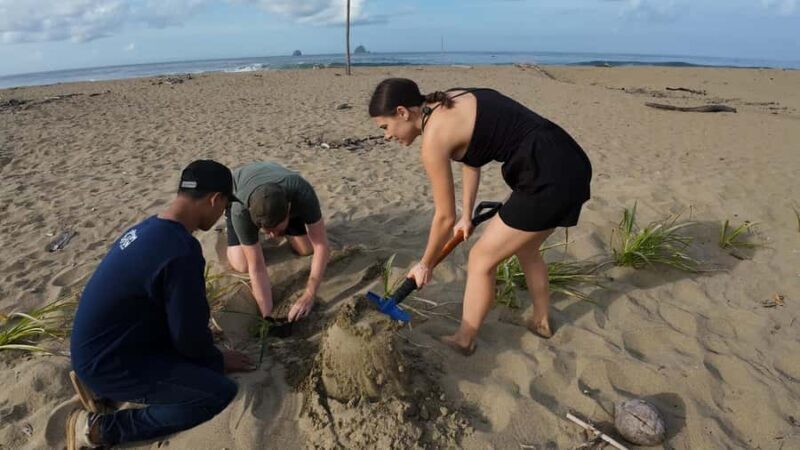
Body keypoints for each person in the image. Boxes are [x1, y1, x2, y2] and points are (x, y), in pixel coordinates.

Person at [369, 78, 592, 356]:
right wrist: (467, 214)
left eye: (385, 127)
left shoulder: (433, 141)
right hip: (568, 159)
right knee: (528, 248)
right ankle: (541, 322)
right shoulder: (450, 99)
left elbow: (443, 218)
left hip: (544, 176)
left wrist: (425, 264)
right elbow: (472, 158)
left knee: (480, 259)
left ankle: (464, 339)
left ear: (402, 112)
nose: (387, 136)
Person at [68, 160, 254, 449]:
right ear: (214, 199)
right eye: (224, 206)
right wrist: (216, 360)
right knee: (215, 393)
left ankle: (106, 391)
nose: (221, 214)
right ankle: (100, 429)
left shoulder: (149, 228)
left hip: (94, 349)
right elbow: (188, 336)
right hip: (107, 362)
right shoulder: (181, 250)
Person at [225, 161, 330, 322]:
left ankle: (287, 228)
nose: (272, 236)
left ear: (289, 209)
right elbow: (257, 266)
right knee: (242, 264)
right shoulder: (240, 210)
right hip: (241, 191)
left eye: (275, 229)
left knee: (307, 249)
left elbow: (321, 246)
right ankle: (240, 232)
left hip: (280, 189)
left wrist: (309, 295)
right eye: (266, 230)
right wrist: (267, 316)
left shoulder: (302, 191)